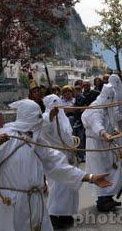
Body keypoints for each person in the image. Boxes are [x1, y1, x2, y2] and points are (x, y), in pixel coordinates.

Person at [0, 99, 111, 231]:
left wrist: (90, 177)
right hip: (12, 203)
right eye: (36, 119)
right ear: (28, 119)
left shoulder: (37, 141)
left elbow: (58, 165)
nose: (39, 124)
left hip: (35, 201)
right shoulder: (6, 136)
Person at [81, 84, 122, 212]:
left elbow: (111, 121)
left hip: (106, 143)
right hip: (96, 144)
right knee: (100, 170)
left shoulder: (107, 106)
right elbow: (96, 123)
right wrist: (105, 134)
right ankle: (102, 200)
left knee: (112, 169)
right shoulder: (96, 107)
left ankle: (109, 197)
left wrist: (115, 131)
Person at [41, 95, 78, 228]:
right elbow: (45, 127)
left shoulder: (64, 119)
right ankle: (54, 216)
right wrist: (51, 116)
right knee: (57, 188)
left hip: (67, 155)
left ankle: (66, 215)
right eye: (53, 103)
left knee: (69, 187)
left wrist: (72, 151)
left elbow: (68, 135)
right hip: (55, 158)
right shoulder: (45, 117)